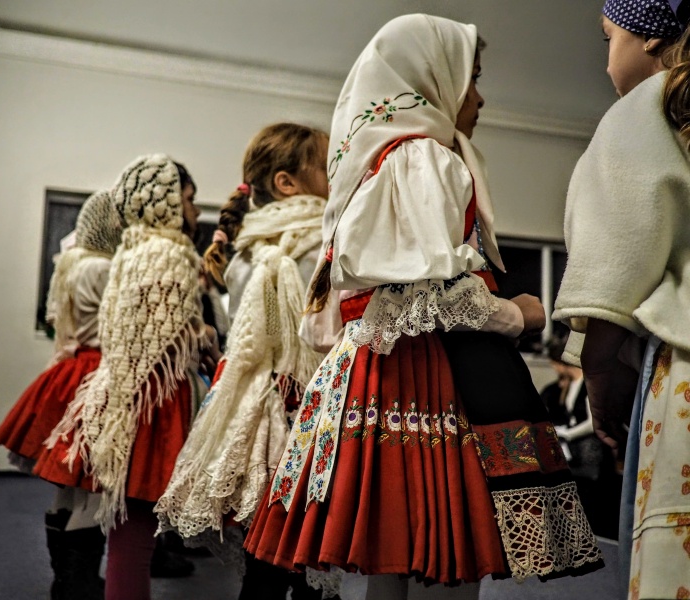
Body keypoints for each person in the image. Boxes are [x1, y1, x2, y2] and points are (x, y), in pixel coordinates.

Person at [244, 14, 603, 600]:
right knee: (440, 558)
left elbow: (341, 311)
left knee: (396, 562)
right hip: (426, 376)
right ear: (433, 78)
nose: (480, 98)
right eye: (472, 78)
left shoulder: (371, 162)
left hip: (375, 372)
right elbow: (428, 293)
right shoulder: (423, 158)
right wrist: (519, 314)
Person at [155, 122, 332, 600]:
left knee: (267, 560)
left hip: (254, 414)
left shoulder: (245, 252)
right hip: (304, 413)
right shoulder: (323, 245)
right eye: (326, 164)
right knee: (307, 555)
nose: (337, 172)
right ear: (286, 182)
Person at [553, 1, 690, 597]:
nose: (607, 57)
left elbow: (618, 252)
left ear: (652, 36)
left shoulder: (647, 108)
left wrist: (600, 370)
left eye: (608, 38)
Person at [39, 155, 209, 600]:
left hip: (120, 389)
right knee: (132, 532)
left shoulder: (128, 251)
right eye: (189, 199)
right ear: (166, 201)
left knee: (119, 526)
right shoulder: (168, 253)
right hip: (153, 402)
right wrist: (202, 336)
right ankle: (80, 582)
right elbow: (166, 339)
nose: (194, 210)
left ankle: (75, 582)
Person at [0, 189, 121, 600]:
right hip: (97, 374)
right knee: (90, 491)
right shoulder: (103, 267)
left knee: (66, 487)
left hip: (72, 370)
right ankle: (80, 584)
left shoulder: (71, 263)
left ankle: (64, 580)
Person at [541, 334, 621, 540]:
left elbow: (592, 421)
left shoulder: (588, 383)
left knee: (595, 501)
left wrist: (568, 433)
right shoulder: (569, 385)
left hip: (593, 453)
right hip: (576, 456)